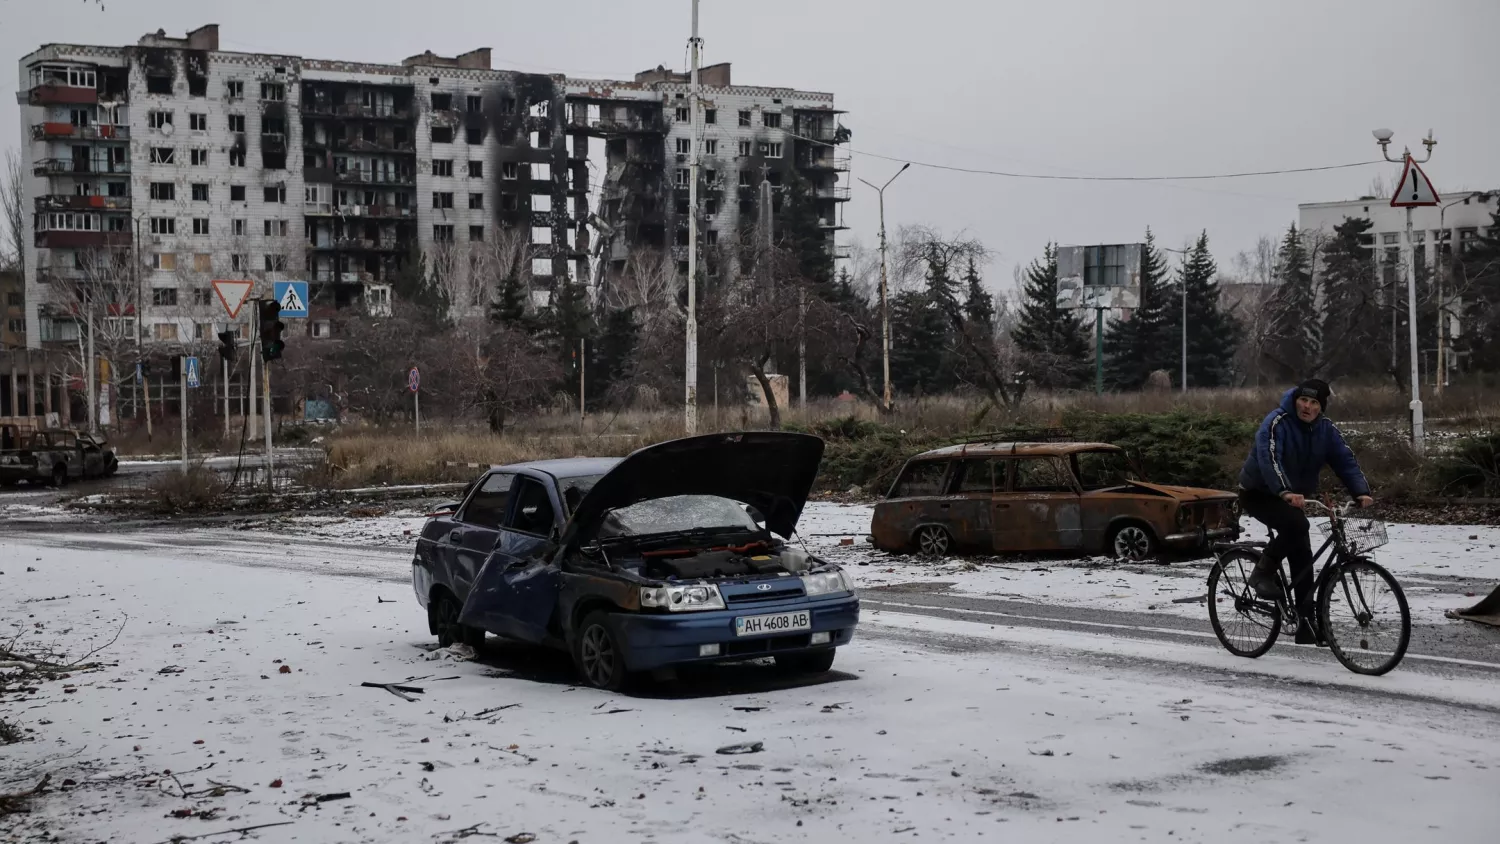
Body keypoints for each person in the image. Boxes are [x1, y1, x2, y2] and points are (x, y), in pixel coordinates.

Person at [1238, 379, 1374, 644]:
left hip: (1293, 498)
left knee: (1304, 558)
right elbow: (1270, 459)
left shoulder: (1325, 429)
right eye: (1304, 400)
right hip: (1260, 492)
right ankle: (1262, 572)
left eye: (1314, 403)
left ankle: (1305, 624)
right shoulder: (1277, 423)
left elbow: (1344, 459)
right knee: (1298, 527)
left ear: (1321, 407)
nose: (1307, 407)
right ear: (1296, 400)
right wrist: (1285, 490)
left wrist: (1361, 491)